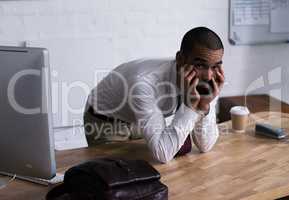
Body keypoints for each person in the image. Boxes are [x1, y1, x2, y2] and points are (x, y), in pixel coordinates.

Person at [84, 27, 225, 163]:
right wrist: (191, 106)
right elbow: (163, 154)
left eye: (215, 66)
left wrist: (204, 106)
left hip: (138, 119)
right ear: (180, 59)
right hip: (105, 121)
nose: (208, 75)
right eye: (200, 65)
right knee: (113, 178)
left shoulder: (208, 81)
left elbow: (205, 145)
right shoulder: (144, 83)